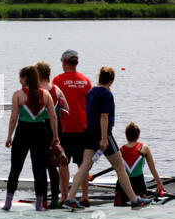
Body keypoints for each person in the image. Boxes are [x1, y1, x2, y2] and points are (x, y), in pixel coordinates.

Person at [63, 67, 152, 210]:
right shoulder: (106, 94)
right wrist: (104, 139)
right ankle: (134, 200)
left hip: (89, 133)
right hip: (103, 135)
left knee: (85, 166)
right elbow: (104, 117)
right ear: (111, 80)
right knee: (120, 167)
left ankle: (71, 197)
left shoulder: (91, 91)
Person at [3, 66, 59, 212]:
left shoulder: (18, 95)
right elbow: (53, 116)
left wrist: (9, 136)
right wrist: (56, 136)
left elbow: (14, 118)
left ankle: (8, 203)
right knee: (39, 169)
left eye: (20, 77)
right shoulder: (46, 94)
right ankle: (39, 205)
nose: (19, 80)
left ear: (25, 78)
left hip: (23, 132)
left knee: (15, 168)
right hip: (41, 133)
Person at [52, 50, 92, 206]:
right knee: (83, 165)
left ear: (63, 62)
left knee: (63, 164)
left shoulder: (58, 80)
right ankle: (85, 196)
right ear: (77, 63)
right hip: (83, 129)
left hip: (64, 129)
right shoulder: (86, 81)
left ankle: (64, 197)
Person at [35, 61, 70, 209]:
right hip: (56, 128)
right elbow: (66, 110)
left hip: (39, 128)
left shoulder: (35, 90)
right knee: (52, 165)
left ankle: (42, 200)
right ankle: (55, 199)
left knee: (39, 166)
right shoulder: (56, 90)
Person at [114, 122, 164, 206]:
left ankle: (119, 197)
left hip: (122, 186)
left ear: (126, 136)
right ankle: (140, 198)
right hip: (138, 185)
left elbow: (117, 168)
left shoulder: (121, 150)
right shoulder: (144, 148)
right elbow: (152, 168)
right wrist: (159, 183)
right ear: (138, 136)